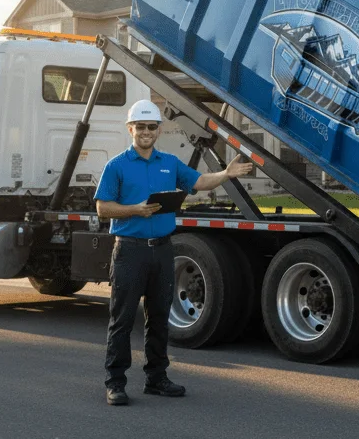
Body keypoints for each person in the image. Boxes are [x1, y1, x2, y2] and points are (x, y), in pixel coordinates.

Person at [94, 99, 253, 406]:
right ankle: (115, 382)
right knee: (122, 319)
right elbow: (102, 208)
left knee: (158, 317)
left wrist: (225, 174)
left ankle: (156, 378)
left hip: (162, 251)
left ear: (158, 130)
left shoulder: (169, 162)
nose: (145, 132)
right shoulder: (116, 166)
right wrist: (135, 211)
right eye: (139, 127)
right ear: (130, 129)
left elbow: (199, 181)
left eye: (151, 127)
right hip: (130, 252)